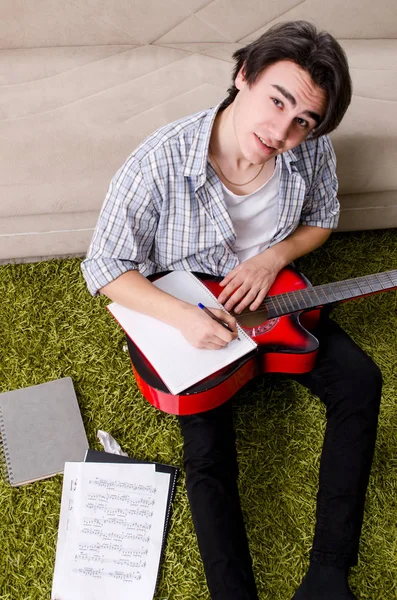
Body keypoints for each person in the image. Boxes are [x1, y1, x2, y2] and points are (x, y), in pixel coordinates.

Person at [81, 20, 382, 600]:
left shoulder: (311, 152)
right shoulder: (158, 161)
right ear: (243, 76)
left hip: (276, 300)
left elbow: (321, 220)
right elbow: (104, 267)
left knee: (361, 383)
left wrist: (273, 257)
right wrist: (183, 317)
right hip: (191, 306)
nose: (283, 130)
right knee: (206, 448)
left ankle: (328, 573)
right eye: (277, 100)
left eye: (304, 120)